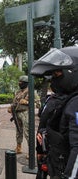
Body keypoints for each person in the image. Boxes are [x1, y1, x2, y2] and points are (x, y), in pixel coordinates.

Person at [31, 46, 78, 178]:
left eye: (57, 74)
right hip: (56, 162)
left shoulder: (75, 103)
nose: (54, 79)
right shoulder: (68, 100)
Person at [8, 75, 40, 156]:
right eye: (19, 82)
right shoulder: (18, 92)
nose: (19, 83)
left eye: (21, 82)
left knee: (27, 132)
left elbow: (39, 104)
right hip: (17, 113)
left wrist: (27, 102)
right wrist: (11, 107)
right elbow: (15, 102)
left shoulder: (32, 91)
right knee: (19, 131)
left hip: (26, 113)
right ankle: (18, 148)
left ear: (26, 83)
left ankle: (31, 152)